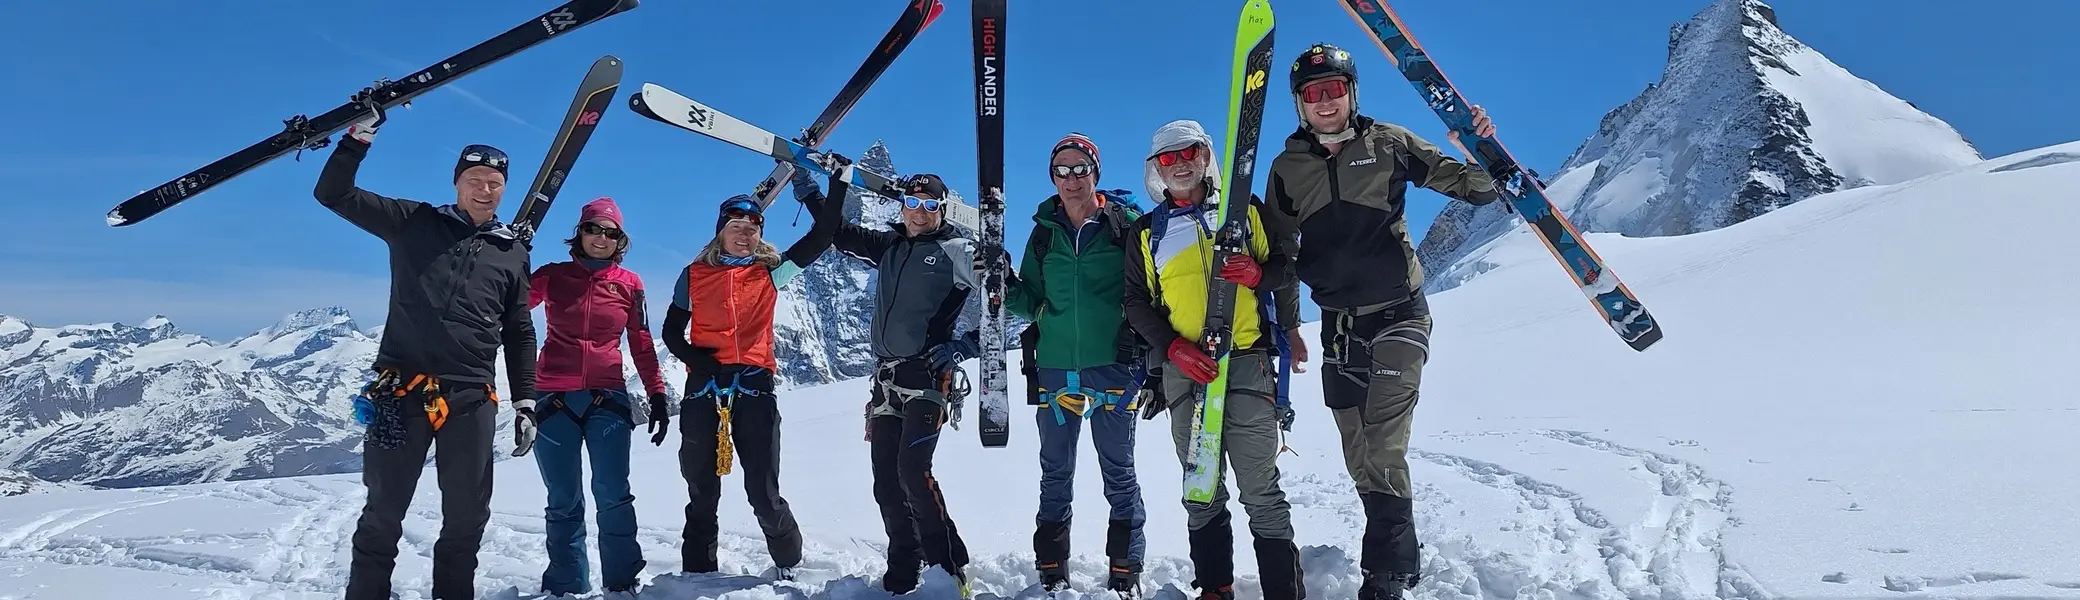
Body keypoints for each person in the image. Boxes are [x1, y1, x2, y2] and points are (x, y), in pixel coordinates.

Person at [1265, 43, 1502, 600]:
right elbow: (1281, 256)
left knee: (1385, 446)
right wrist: (1291, 328)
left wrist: (1481, 146)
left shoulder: (1389, 143)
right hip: (1338, 326)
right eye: (1313, 93)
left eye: (1334, 89)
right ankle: (1403, 556)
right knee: (1360, 454)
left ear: (1351, 93)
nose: (1325, 101)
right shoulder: (1286, 169)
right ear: (1300, 103)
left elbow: (1477, 189)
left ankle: (1386, 576)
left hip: (1400, 315)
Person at [318, 92, 537, 600]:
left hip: (471, 398)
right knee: (383, 511)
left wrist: (526, 400)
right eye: (475, 180)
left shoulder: (511, 253)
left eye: (495, 183)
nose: (485, 190)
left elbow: (519, 331)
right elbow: (334, 194)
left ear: (504, 190)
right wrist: (358, 138)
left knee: (467, 516)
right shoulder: (412, 222)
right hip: (400, 391)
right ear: (457, 182)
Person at [1121, 119, 1307, 600]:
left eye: (1189, 153)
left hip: (1246, 360)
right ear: (1157, 169)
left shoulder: (1243, 211)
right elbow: (1136, 303)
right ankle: (1215, 587)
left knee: (1260, 487)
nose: (1180, 164)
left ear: (1205, 157)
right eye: (1169, 158)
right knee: (1201, 487)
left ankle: (1284, 592)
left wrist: (1257, 275)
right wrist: (1172, 348)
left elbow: (1285, 269)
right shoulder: (1148, 232)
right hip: (1185, 369)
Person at [658, 166, 843, 580]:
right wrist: (694, 357)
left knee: (763, 491)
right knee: (701, 489)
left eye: (753, 228)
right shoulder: (693, 276)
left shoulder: (770, 273)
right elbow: (671, 331)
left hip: (754, 388)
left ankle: (789, 563)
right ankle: (698, 575)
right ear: (720, 232)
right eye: (736, 227)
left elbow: (823, 236)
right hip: (703, 388)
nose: (744, 235)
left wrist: (836, 184)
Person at [990, 133, 1150, 595]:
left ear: (1095, 172)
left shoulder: (1124, 226)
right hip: (1055, 369)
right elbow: (1031, 301)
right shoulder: (1044, 234)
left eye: (1081, 169)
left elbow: (1149, 289)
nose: (1072, 178)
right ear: (1053, 177)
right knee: (1055, 472)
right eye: (1062, 170)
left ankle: (1126, 569)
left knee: (1119, 471)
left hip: (1114, 367)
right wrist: (1002, 281)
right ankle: (1051, 567)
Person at [827, 167, 980, 595]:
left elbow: (1005, 300)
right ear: (902, 206)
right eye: (912, 203)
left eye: (929, 205)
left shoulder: (957, 250)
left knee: (913, 471)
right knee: (886, 479)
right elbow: (837, 233)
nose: (919, 212)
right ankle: (905, 566)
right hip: (885, 381)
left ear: (943, 209)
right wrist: (825, 187)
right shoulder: (891, 246)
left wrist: (965, 346)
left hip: (927, 377)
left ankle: (945, 569)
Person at [522, 197, 671, 597]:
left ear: (620, 239)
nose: (601, 238)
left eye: (610, 232)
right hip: (552, 398)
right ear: (580, 232)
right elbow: (511, 305)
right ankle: (566, 586)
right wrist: (511, 262)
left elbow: (641, 342)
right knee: (563, 498)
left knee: (613, 492)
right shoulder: (552, 276)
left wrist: (656, 394)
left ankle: (621, 584)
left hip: (607, 397)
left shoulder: (630, 284)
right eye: (593, 229)